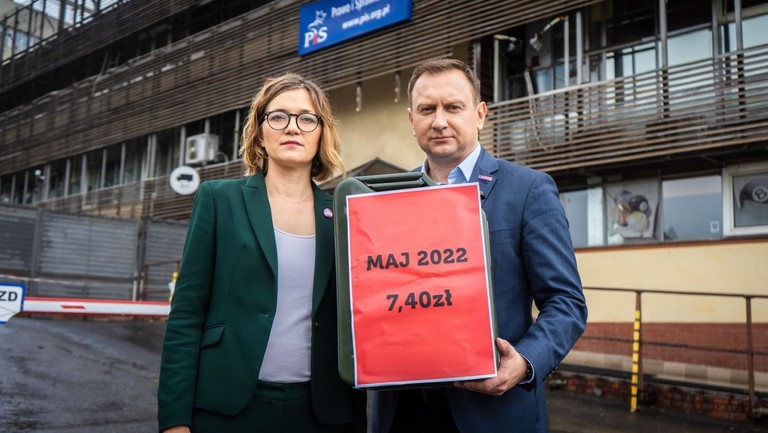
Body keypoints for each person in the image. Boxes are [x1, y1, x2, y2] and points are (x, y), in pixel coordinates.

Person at [371, 58, 588, 433]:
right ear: (411, 120)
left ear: (480, 114)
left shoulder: (528, 190)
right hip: (401, 410)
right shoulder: (383, 198)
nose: (439, 121)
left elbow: (566, 302)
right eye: (427, 109)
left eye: (453, 107)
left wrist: (524, 361)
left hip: (494, 412)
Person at [158, 73, 366, 433]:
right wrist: (174, 421)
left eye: (307, 118)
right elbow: (186, 314)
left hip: (320, 413)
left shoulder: (343, 215)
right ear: (259, 131)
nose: (292, 127)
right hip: (225, 408)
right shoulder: (218, 200)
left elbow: (358, 323)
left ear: (322, 132)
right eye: (278, 116)